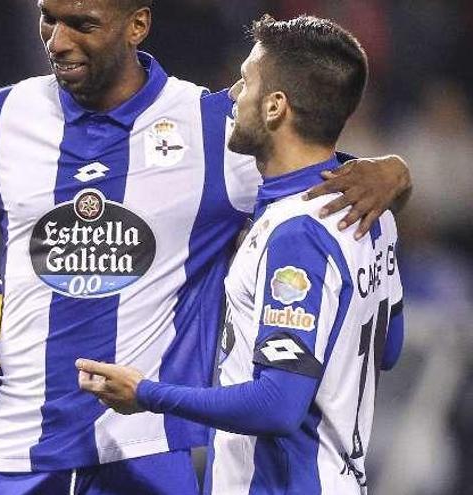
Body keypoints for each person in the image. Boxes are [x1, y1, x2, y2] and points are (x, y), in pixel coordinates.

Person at [0, 1, 412, 494]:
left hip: (147, 452)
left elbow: (311, 178)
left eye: (82, 23)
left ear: (137, 26)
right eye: (47, 19)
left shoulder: (213, 130)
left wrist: (393, 174)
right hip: (14, 448)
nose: (58, 40)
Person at [78, 14, 403, 494]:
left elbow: (278, 404)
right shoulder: (372, 213)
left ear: (275, 107)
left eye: (245, 80)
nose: (232, 94)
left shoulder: (295, 233)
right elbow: (388, 348)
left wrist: (145, 393)